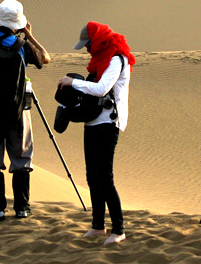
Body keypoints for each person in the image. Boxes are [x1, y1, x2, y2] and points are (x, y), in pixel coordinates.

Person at [58, 21, 134, 245]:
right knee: (92, 177)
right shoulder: (99, 61)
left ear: (98, 41)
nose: (87, 50)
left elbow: (102, 88)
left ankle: (118, 230)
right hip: (91, 122)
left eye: (88, 45)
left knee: (105, 178)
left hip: (108, 125)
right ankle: (98, 226)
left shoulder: (116, 59)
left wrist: (73, 82)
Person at [0, 0, 50, 220]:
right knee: (21, 156)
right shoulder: (22, 45)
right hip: (17, 109)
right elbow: (45, 58)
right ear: (19, 23)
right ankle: (22, 208)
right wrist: (30, 36)